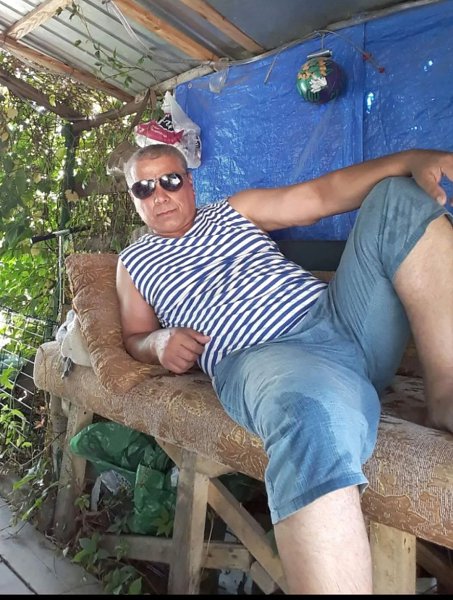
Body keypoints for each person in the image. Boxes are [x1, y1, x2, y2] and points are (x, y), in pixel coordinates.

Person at [117, 142, 453, 594]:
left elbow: (319, 197)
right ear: (134, 198)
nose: (159, 195)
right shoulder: (134, 262)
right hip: (268, 359)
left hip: (343, 318)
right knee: (309, 419)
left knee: (397, 196)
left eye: (170, 180)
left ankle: (445, 394)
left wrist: (408, 160)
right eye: (143, 188)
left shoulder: (234, 210)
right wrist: (157, 343)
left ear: (190, 183)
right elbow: (134, 336)